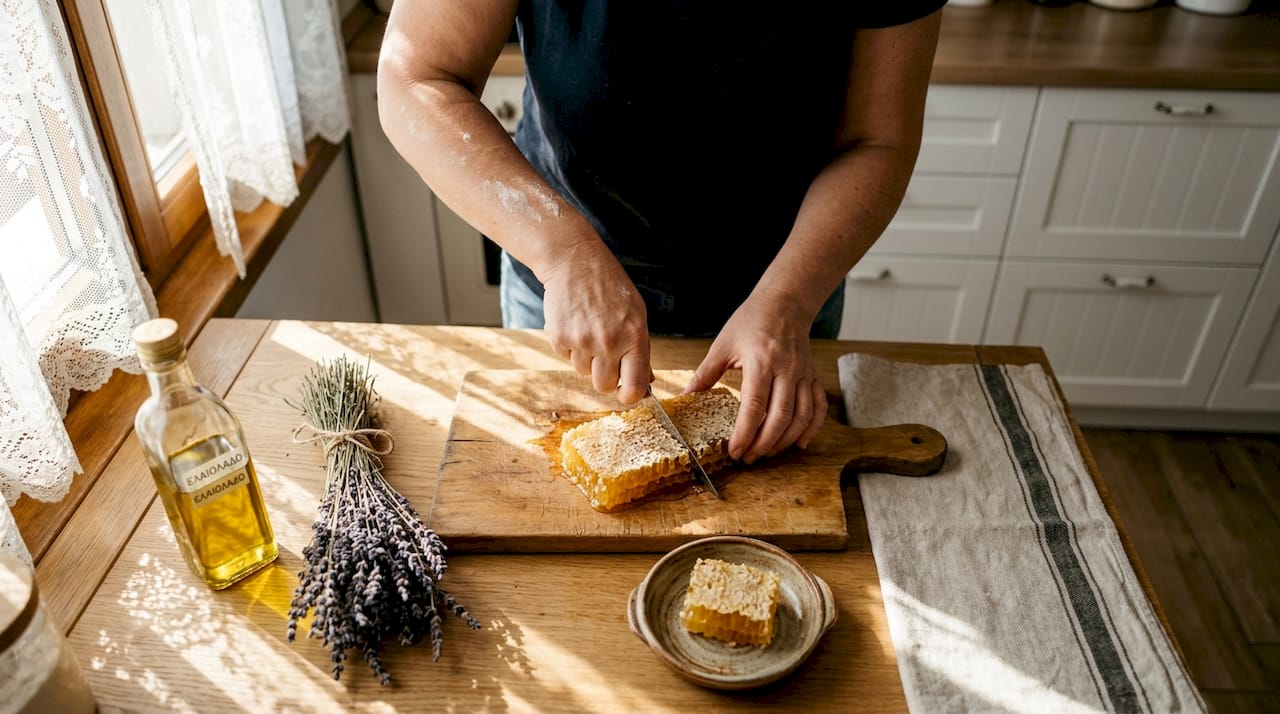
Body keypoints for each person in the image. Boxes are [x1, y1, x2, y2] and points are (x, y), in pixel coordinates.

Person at [378, 1, 944, 465]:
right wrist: (564, 254)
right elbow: (416, 77)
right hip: (562, 286)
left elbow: (878, 139)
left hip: (787, 291)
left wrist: (788, 300)